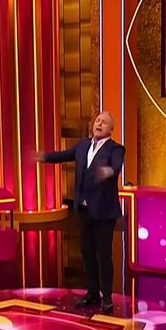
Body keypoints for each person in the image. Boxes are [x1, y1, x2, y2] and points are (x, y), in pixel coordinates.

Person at [40, 111, 124, 313]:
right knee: (87, 252)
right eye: (97, 120)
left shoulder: (116, 148)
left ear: (111, 129)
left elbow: (116, 167)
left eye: (104, 122)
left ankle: (107, 297)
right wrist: (42, 157)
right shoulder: (83, 145)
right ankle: (92, 293)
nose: (99, 124)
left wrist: (107, 171)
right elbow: (63, 155)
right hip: (84, 210)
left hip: (104, 211)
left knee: (104, 254)